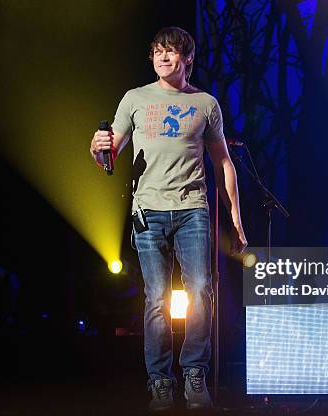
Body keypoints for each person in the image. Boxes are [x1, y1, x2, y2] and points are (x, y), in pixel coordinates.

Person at [90, 27, 247, 412]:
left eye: (171, 51)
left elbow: (223, 162)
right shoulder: (135, 99)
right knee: (157, 299)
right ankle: (160, 382)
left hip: (193, 209)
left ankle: (195, 374)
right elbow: (111, 153)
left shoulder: (206, 104)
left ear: (187, 58)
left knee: (200, 291)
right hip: (148, 210)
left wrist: (237, 221)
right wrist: (98, 150)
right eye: (158, 51)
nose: (163, 57)